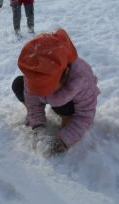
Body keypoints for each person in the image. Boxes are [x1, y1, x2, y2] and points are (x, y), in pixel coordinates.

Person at [12, 28, 100, 157]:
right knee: (18, 84)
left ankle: (67, 121)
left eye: (46, 88)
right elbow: (32, 101)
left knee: (63, 108)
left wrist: (63, 140)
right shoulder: (34, 71)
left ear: (65, 74)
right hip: (56, 96)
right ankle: (36, 117)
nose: (41, 93)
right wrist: (38, 126)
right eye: (37, 88)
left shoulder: (82, 78)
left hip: (68, 103)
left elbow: (85, 115)